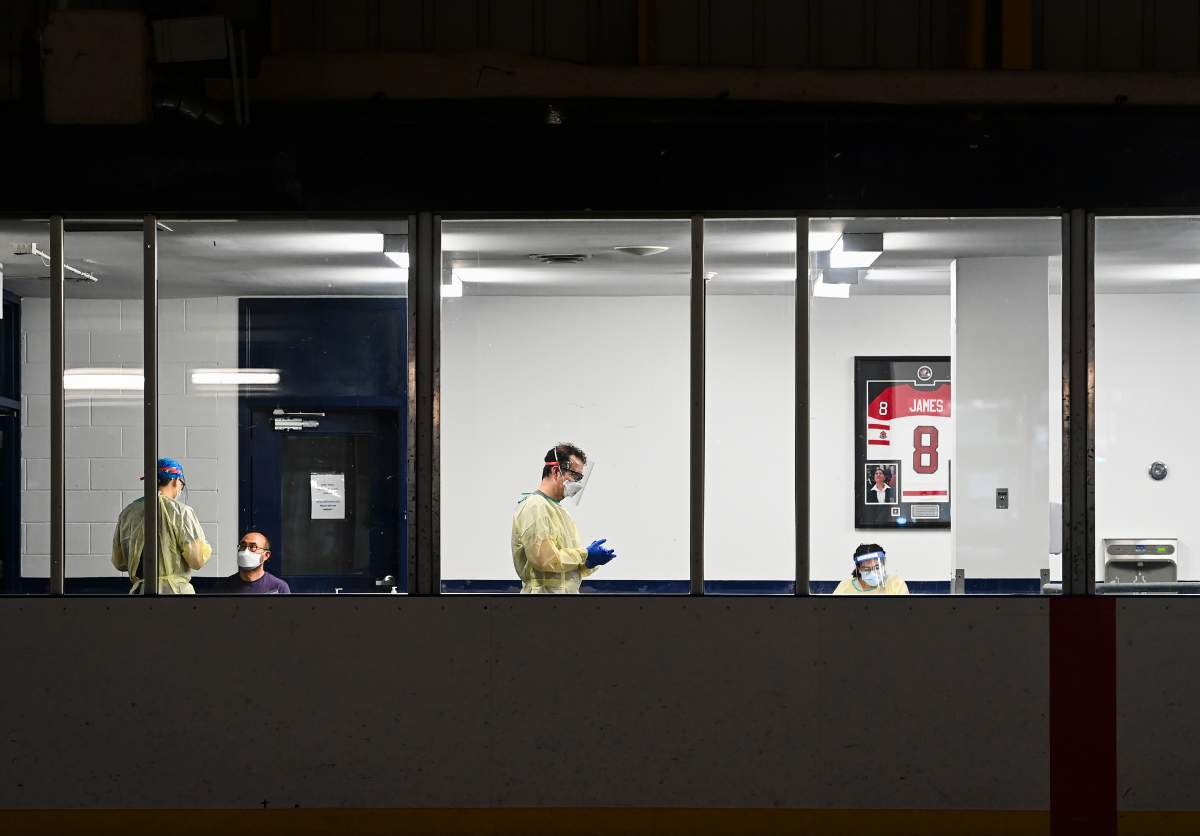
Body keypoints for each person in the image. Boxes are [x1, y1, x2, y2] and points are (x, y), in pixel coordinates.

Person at [511, 442, 616, 594]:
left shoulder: (558, 510)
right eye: (574, 475)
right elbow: (544, 559)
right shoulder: (536, 506)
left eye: (580, 478)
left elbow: (563, 564)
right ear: (555, 471)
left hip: (563, 601)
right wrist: (584, 554)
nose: (577, 483)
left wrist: (588, 562)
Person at [111, 457, 212, 594]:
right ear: (176, 481)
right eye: (181, 483)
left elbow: (120, 563)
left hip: (140, 593)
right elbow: (197, 560)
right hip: (176, 595)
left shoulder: (128, 513)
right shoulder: (181, 512)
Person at [217, 530, 291, 594]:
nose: (245, 552)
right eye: (243, 546)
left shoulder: (279, 587)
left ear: (266, 555)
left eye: (253, 547)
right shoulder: (223, 586)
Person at [833, 543, 909, 595]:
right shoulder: (845, 586)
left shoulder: (896, 583)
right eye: (867, 569)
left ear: (883, 565)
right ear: (859, 569)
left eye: (877, 567)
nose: (873, 573)